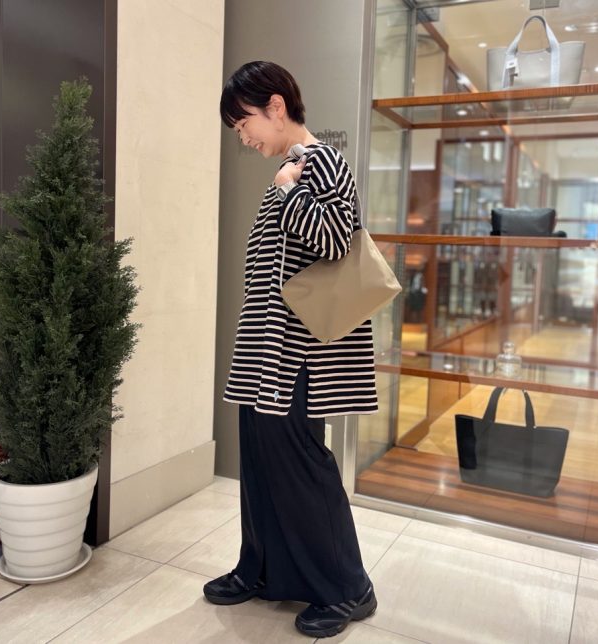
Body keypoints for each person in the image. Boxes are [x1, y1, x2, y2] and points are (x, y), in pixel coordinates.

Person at [204, 60, 378, 639]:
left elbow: (334, 240)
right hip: (266, 349)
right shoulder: (293, 165)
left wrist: (288, 192)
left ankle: (348, 588)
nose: (243, 137)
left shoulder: (322, 162)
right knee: (261, 462)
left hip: (295, 352)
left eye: (244, 124)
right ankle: (261, 569)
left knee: (302, 465)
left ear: (275, 106)